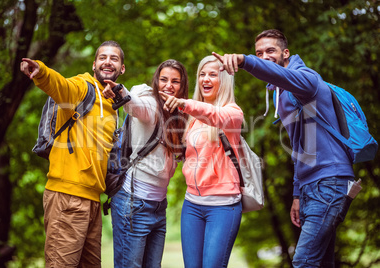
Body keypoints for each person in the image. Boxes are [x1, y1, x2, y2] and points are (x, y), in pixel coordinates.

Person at [213, 29, 355, 267]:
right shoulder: (283, 93)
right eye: (259, 52)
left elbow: (296, 79)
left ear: (286, 53)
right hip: (312, 186)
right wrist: (298, 194)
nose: (264, 56)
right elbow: (302, 146)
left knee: (303, 261)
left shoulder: (305, 79)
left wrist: (246, 60)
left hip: (330, 181)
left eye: (271, 51)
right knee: (322, 263)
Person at [20, 40, 125, 267]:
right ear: (94, 63)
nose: (108, 61)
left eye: (114, 58)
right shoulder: (82, 88)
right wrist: (42, 72)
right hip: (67, 196)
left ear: (122, 68)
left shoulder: (112, 105)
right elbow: (60, 86)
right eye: (103, 57)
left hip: (92, 200)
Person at [102, 59, 189, 268]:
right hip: (133, 203)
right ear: (156, 82)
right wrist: (121, 93)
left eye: (175, 81)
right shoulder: (150, 104)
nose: (169, 85)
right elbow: (135, 106)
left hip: (159, 206)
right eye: (164, 80)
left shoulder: (180, 116)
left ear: (182, 86)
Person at [160, 55, 244, 268]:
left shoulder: (233, 113)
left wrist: (185, 104)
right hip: (192, 205)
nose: (205, 79)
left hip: (223, 206)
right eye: (202, 74)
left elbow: (214, 115)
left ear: (223, 80)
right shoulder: (192, 118)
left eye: (212, 75)